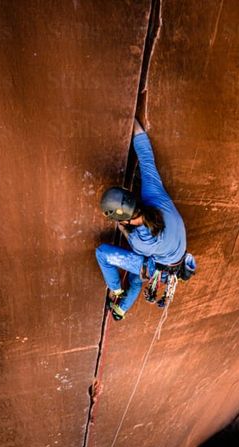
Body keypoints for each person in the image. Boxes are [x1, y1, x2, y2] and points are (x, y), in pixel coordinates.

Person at [95, 119, 187, 320]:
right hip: (174, 257)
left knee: (103, 254)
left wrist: (123, 229)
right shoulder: (154, 194)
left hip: (159, 266)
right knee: (137, 276)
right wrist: (133, 121)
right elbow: (146, 158)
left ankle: (117, 291)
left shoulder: (140, 241)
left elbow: (136, 246)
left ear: (126, 220)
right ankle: (120, 310)